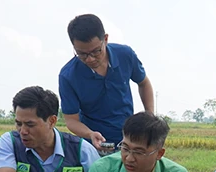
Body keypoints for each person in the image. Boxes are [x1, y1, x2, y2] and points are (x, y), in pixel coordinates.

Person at [59, 14, 155, 152]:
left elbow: (144, 83)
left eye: (96, 51)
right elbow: (71, 120)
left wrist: (149, 116)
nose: (90, 59)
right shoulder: (68, 76)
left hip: (129, 139)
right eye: (82, 54)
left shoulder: (125, 55)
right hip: (94, 145)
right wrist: (90, 134)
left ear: (105, 39)